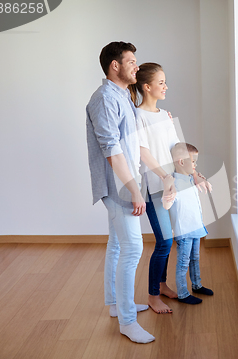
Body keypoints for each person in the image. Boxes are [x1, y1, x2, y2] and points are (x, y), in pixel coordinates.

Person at [129, 63, 212, 314]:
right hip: (157, 188)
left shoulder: (165, 114)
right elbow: (143, 152)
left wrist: (195, 174)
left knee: (173, 239)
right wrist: (165, 176)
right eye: (161, 82)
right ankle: (153, 295)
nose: (166, 86)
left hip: (178, 184)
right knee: (164, 242)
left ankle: (163, 285)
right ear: (147, 86)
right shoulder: (138, 116)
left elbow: (179, 149)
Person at [86, 41, 153, 344]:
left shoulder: (122, 95)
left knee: (117, 245)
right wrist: (134, 190)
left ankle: (116, 305)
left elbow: (130, 144)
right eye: (132, 62)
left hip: (125, 183)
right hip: (119, 187)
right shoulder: (104, 99)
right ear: (115, 65)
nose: (137, 67)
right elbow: (112, 149)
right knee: (133, 249)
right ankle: (127, 321)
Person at [164, 142, 214, 304]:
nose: (195, 165)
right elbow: (167, 204)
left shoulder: (190, 180)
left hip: (196, 227)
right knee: (183, 262)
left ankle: (197, 285)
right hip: (185, 231)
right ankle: (183, 293)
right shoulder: (175, 183)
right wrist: (167, 192)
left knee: (195, 258)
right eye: (193, 161)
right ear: (181, 162)